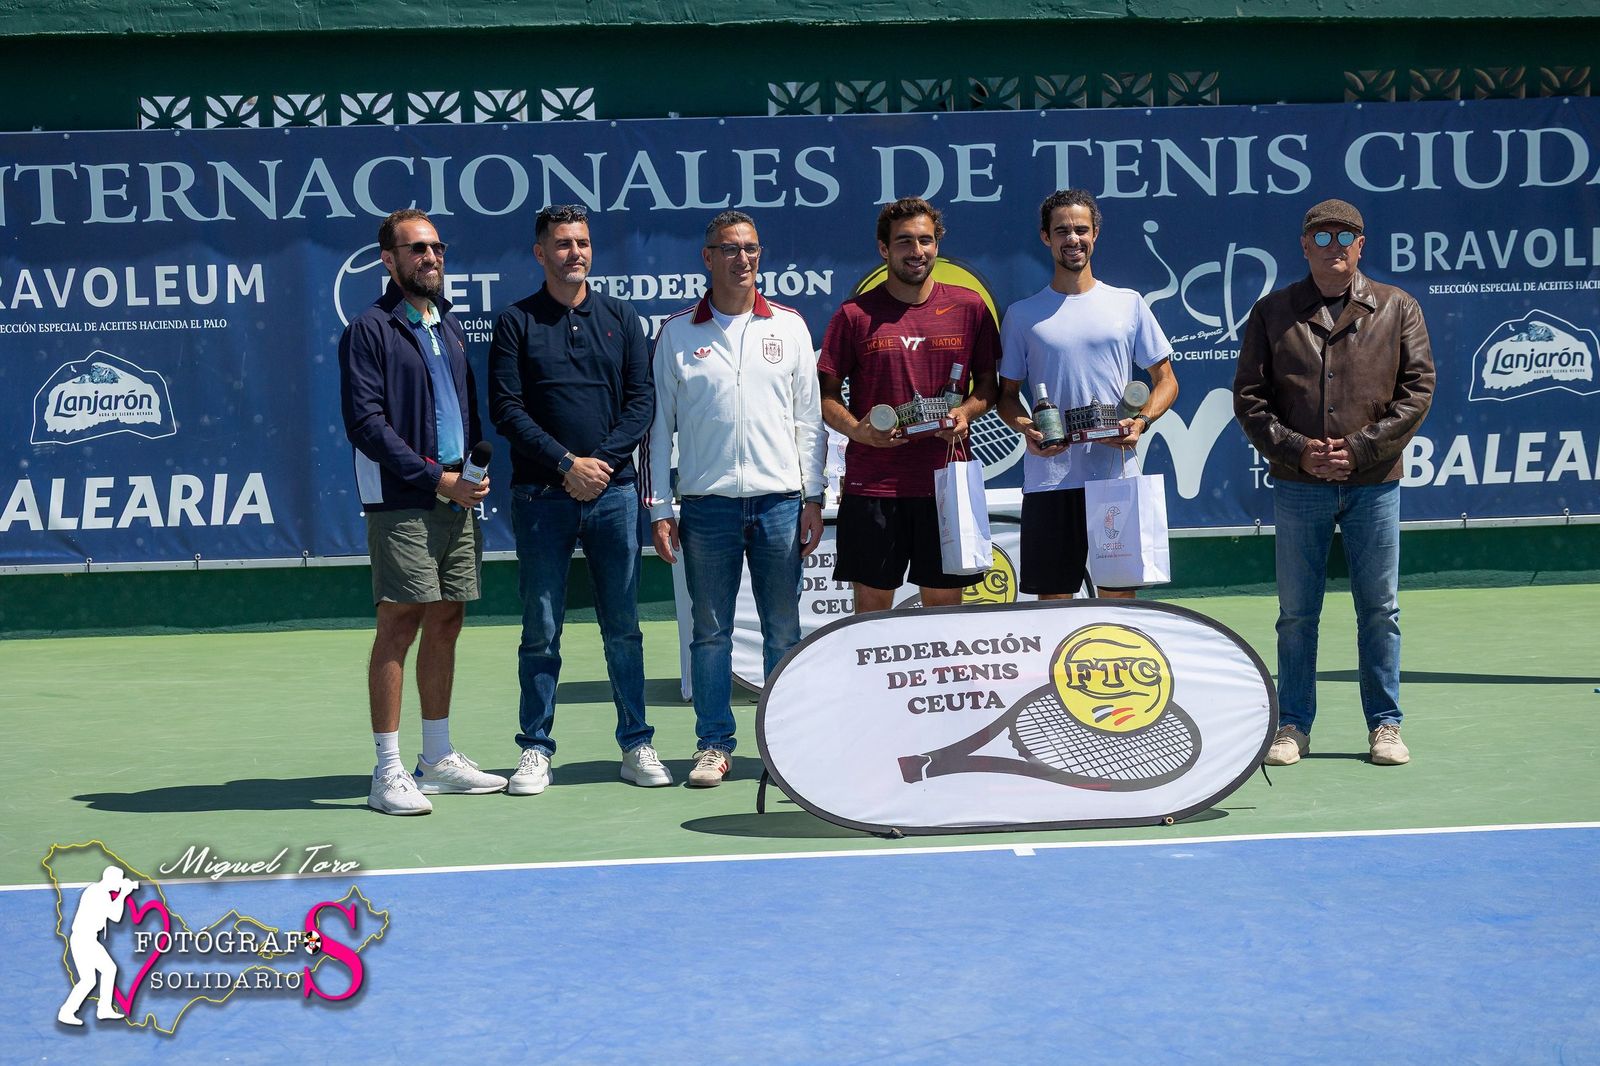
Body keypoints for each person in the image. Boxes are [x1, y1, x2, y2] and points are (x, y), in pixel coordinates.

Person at [1233, 198, 1434, 767]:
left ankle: (1386, 726)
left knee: (1380, 610)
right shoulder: (1273, 312)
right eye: (1320, 238)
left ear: (1361, 244)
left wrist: (1363, 448)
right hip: (1299, 486)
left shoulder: (1399, 308)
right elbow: (1249, 398)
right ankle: (1293, 725)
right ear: (1303, 246)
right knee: (1297, 613)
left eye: (1344, 236)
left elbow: (1418, 389)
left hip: (1374, 483)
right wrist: (1299, 452)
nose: (1333, 247)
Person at [489, 204, 670, 793]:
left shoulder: (622, 318)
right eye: (563, 244)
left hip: (613, 497)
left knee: (624, 627)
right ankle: (536, 749)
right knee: (541, 628)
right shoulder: (515, 322)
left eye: (583, 242)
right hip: (541, 498)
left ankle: (637, 744)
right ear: (540, 253)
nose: (576, 253)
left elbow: (642, 402)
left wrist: (600, 466)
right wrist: (566, 464)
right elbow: (507, 410)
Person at [644, 211, 827, 788]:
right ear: (707, 258)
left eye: (750, 249)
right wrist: (660, 508)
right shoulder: (676, 333)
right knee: (710, 632)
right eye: (729, 250)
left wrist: (814, 496)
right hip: (707, 507)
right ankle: (713, 745)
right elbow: (657, 429)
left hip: (778, 503)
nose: (741, 260)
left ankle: (787, 745)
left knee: (782, 630)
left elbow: (810, 423)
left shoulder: (791, 326)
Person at [339, 208, 507, 816]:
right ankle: (387, 772)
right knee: (401, 620)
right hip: (405, 499)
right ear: (389, 260)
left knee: (447, 616)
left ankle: (435, 759)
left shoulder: (448, 327)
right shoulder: (370, 329)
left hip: (457, 496)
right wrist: (438, 478)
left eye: (436, 248)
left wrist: (467, 479)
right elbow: (366, 424)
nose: (430, 259)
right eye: (416, 250)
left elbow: (464, 409)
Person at [817, 197, 1000, 613]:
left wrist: (965, 413)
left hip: (945, 483)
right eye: (904, 242)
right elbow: (825, 396)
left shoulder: (970, 308)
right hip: (873, 484)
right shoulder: (854, 315)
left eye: (925, 240)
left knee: (944, 606)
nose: (916, 251)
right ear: (884, 249)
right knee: (871, 609)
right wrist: (857, 430)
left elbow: (989, 386)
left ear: (937, 246)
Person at [997, 189, 1178, 600]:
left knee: (1119, 599)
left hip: (1115, 475)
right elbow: (1006, 396)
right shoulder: (1023, 315)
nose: (1072, 239)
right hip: (1050, 481)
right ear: (1045, 237)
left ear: (1095, 234)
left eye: (1081, 230)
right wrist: (1028, 427)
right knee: (1053, 601)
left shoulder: (1128, 304)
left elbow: (1166, 380)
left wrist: (1142, 420)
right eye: (1062, 231)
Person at [58, 866, 138, 1025]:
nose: (120, 883)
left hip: (86, 939)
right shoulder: (99, 894)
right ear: (111, 880)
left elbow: (114, 915)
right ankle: (69, 1012)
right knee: (96, 977)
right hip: (84, 940)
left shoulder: (99, 891)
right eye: (119, 880)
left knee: (102, 973)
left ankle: (103, 1009)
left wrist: (122, 893)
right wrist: (123, 894)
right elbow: (116, 916)